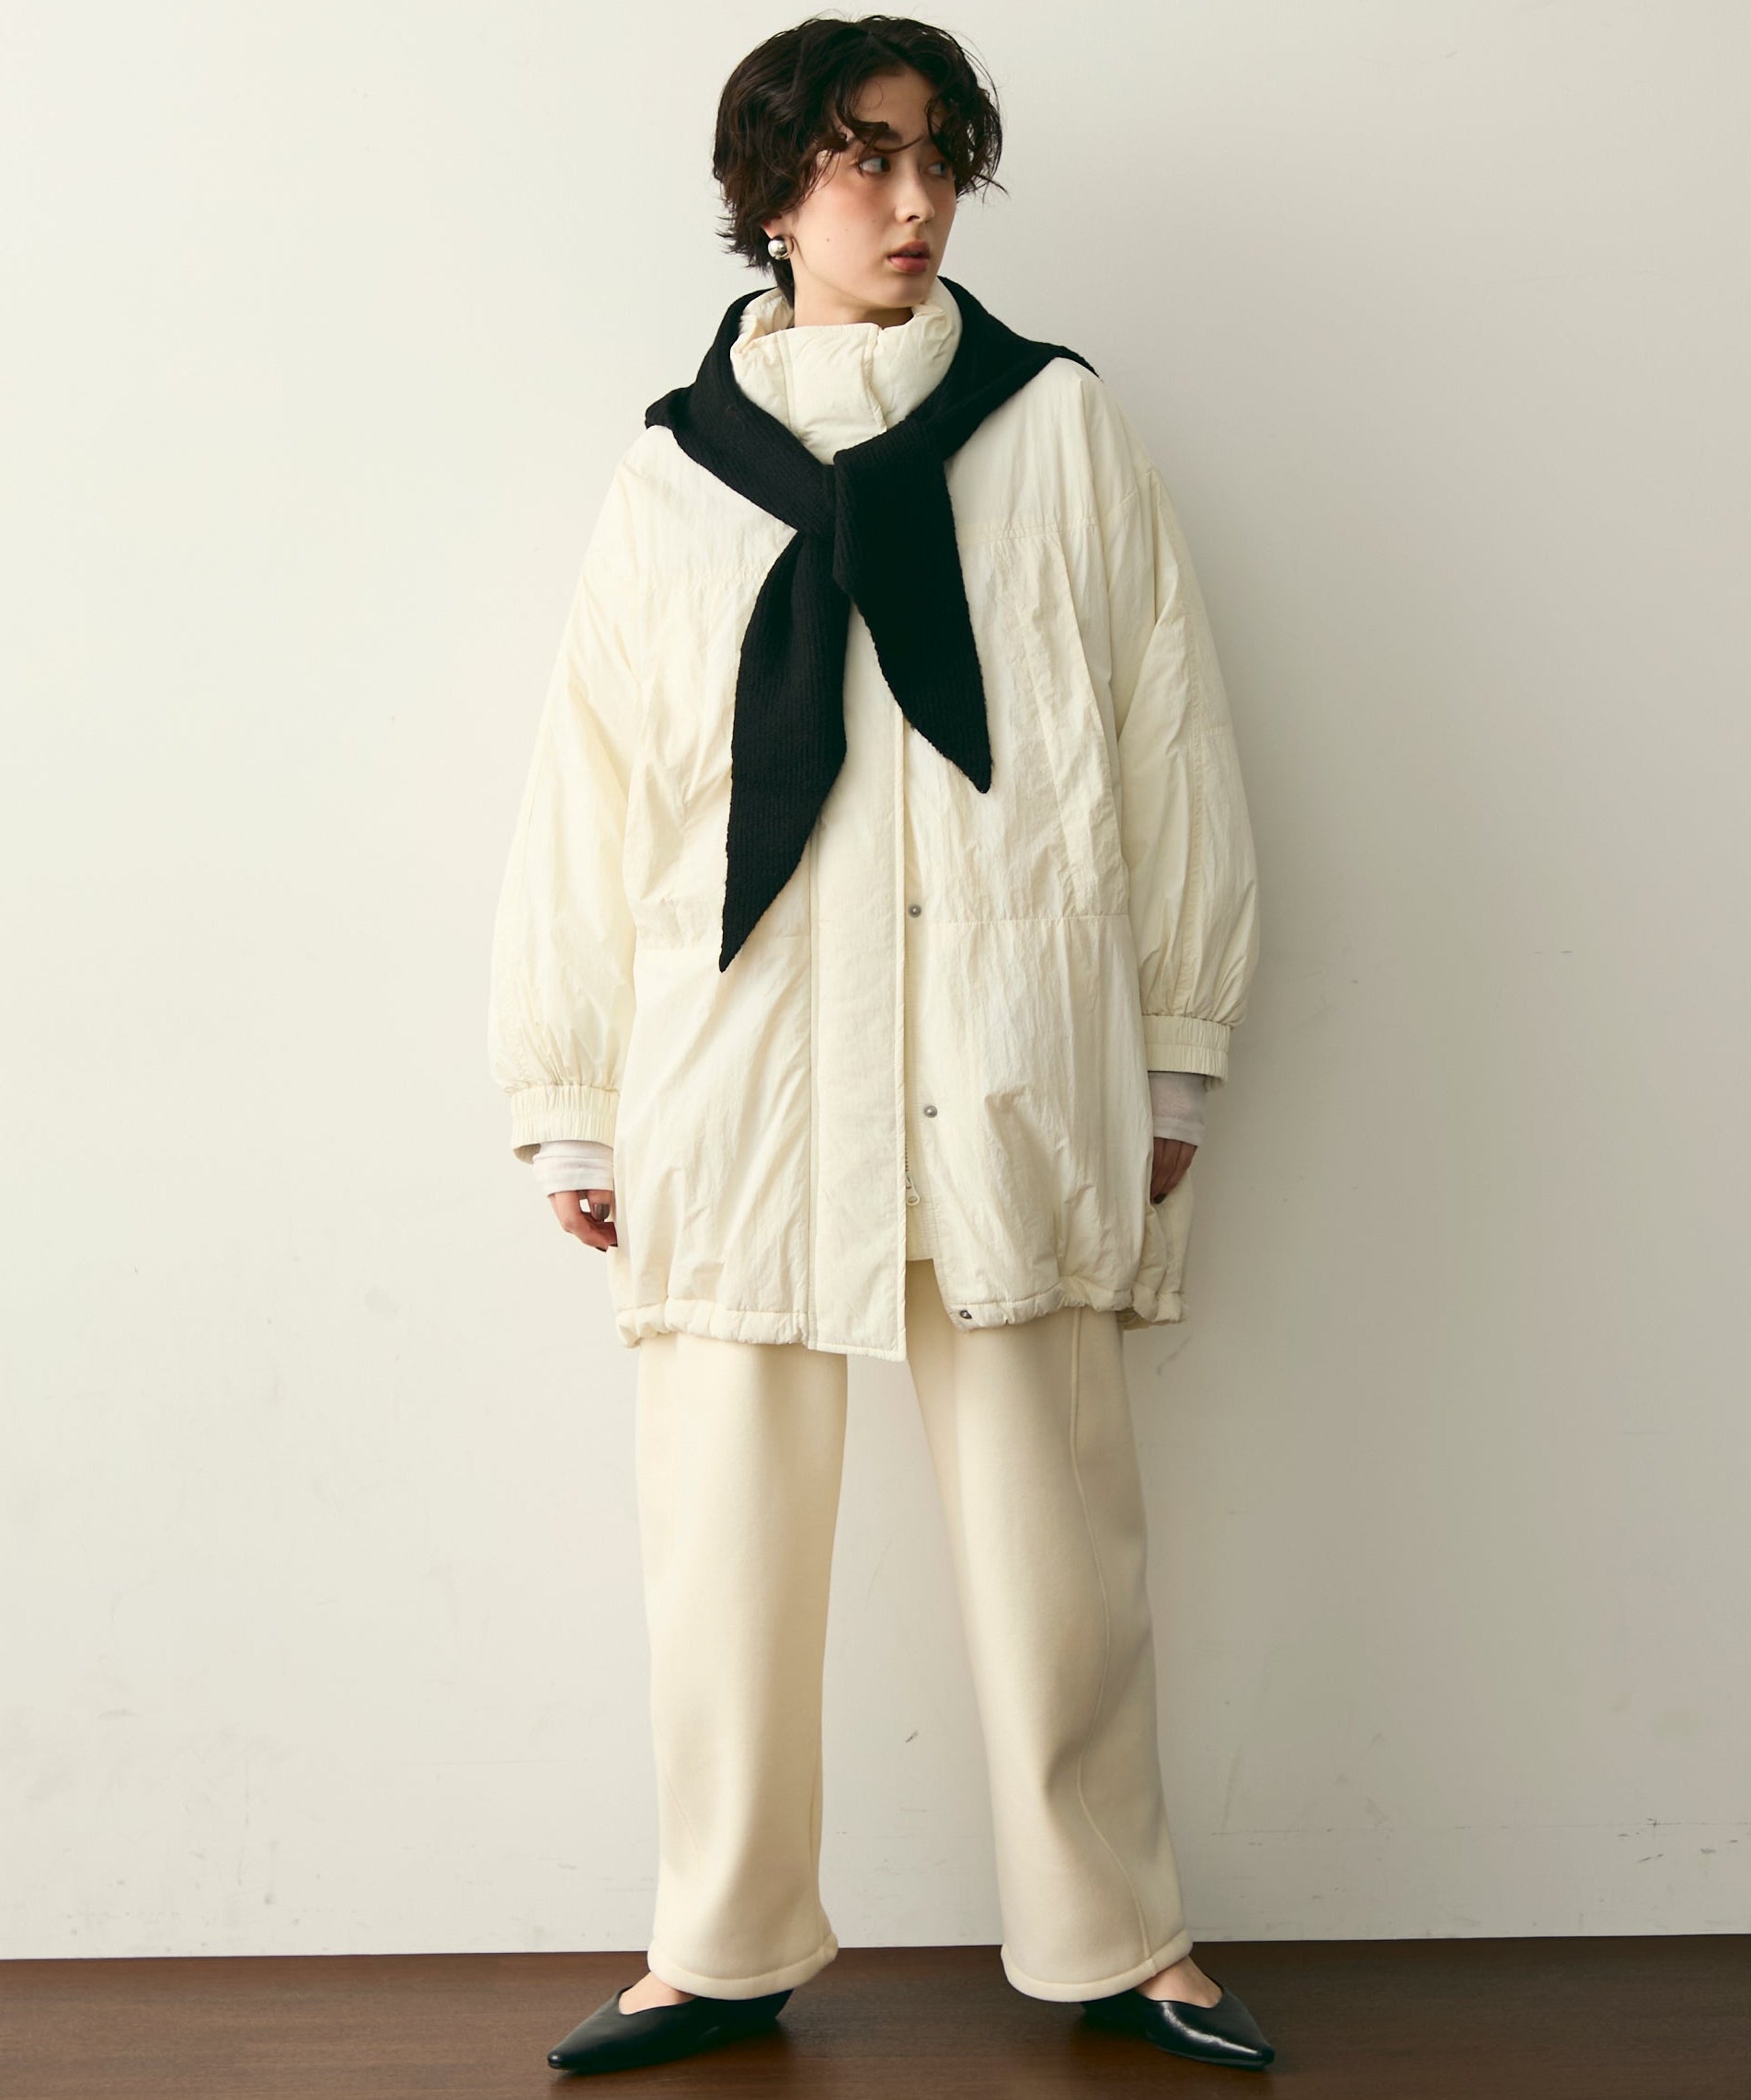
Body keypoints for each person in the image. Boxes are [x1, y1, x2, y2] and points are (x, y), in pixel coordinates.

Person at [487, 13, 1269, 2078]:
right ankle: (717, 1941)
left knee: (1056, 1532)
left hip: (1008, 1043)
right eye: (865, 159)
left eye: (940, 159)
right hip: (738, 1063)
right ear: (770, 190)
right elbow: (593, 794)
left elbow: (1170, 735)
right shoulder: (671, 470)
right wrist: (567, 1093)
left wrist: (1174, 1046)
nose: (915, 204)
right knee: (721, 1541)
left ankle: (1120, 1935)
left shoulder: (1057, 428)